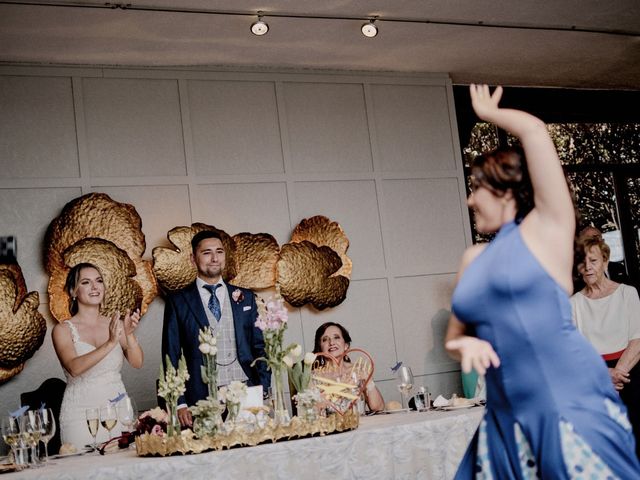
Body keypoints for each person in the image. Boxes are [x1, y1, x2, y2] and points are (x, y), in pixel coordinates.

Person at [444, 84, 640, 478]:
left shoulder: (546, 234)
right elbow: (455, 337)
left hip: (564, 397)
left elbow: (535, 133)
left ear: (506, 193)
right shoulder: (472, 259)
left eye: (476, 190)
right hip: (505, 411)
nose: (470, 201)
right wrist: (464, 344)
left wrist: (489, 113)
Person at [162, 230, 270, 427]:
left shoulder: (245, 297)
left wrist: (264, 386)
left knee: (252, 452)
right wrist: (180, 402)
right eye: (206, 253)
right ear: (193, 259)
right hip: (202, 395)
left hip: (247, 390)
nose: (214, 258)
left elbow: (259, 346)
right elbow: (171, 354)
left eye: (219, 252)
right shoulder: (178, 302)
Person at [52, 263, 143, 449]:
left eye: (99, 281)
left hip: (118, 412)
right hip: (80, 415)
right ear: (73, 291)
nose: (95, 287)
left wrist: (130, 334)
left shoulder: (115, 323)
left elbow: (137, 362)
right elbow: (74, 368)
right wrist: (110, 343)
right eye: (86, 282)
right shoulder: (62, 330)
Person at [571, 235, 640, 457]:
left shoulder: (627, 293)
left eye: (593, 260)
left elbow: (637, 340)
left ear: (605, 261)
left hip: (630, 375)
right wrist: (604, 375)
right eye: (583, 262)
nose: (588, 267)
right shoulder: (573, 303)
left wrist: (617, 374)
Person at [312, 322, 384, 412]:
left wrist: (368, 381)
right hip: (331, 425)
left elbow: (378, 408)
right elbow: (310, 414)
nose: (331, 342)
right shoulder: (314, 377)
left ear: (346, 345)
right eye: (325, 339)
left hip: (360, 424)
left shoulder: (359, 370)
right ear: (320, 348)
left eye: (336, 337)